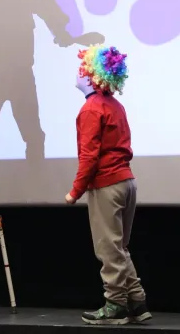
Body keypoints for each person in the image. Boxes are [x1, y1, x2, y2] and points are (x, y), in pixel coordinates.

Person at [64, 45, 152, 325]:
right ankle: (137, 302)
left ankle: (116, 306)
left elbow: (89, 156)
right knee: (120, 247)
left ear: (92, 76)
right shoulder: (115, 105)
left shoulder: (92, 109)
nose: (78, 73)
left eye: (82, 69)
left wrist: (75, 191)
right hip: (126, 182)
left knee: (108, 249)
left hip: (108, 185)